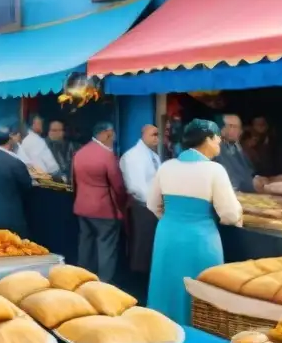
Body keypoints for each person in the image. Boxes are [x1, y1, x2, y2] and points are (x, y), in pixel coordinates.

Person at [146, 120, 243, 324]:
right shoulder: (215, 170)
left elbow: (152, 203)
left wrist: (173, 219)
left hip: (167, 235)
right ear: (206, 139)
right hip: (200, 239)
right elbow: (230, 214)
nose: (219, 142)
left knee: (166, 285)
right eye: (217, 138)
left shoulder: (167, 167)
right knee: (200, 291)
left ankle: (160, 331)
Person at [72, 122, 127, 282]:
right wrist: (122, 205)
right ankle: (104, 284)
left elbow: (74, 181)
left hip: (82, 207)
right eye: (113, 134)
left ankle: (82, 280)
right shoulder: (107, 156)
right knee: (106, 248)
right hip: (104, 210)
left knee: (86, 245)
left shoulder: (79, 153)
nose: (114, 138)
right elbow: (118, 186)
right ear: (106, 133)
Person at [119, 125, 161, 274]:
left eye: (158, 134)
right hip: (142, 206)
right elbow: (135, 187)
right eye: (153, 134)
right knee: (141, 244)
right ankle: (137, 280)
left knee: (151, 245)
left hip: (156, 206)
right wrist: (153, 203)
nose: (156, 137)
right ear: (143, 135)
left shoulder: (154, 156)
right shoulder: (132, 156)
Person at [215, 114, 256, 193]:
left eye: (237, 127)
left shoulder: (237, 147)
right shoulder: (217, 148)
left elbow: (249, 170)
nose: (235, 130)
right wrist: (252, 183)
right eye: (231, 126)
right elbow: (231, 177)